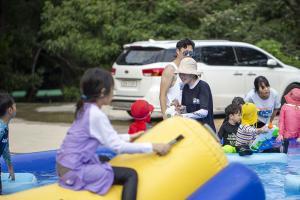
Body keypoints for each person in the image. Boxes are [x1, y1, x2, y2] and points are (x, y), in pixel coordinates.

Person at [56, 68, 171, 200]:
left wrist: (129, 137)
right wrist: (154, 147)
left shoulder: (85, 108)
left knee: (104, 159)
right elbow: (119, 147)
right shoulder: (96, 114)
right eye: (112, 88)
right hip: (74, 171)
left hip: (63, 166)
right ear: (103, 91)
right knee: (130, 175)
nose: (114, 92)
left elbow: (105, 137)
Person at [175, 57, 216, 132]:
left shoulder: (203, 86)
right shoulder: (185, 87)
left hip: (206, 130)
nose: (181, 76)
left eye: (185, 73)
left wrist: (183, 116)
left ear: (193, 74)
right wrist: (180, 109)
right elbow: (187, 109)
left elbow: (204, 112)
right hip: (192, 130)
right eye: (180, 73)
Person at [159, 38, 195, 120]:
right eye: (185, 53)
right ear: (178, 51)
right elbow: (162, 95)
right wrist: (165, 117)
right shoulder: (170, 69)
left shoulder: (189, 68)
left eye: (191, 53)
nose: (188, 55)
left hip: (184, 115)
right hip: (172, 116)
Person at [0, 93, 16, 194]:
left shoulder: (4, 126)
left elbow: (5, 148)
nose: (16, 108)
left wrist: (10, 167)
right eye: (15, 105)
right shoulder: (1, 129)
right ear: (10, 110)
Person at [276, 88, 300, 153]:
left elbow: (281, 122)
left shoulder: (284, 107)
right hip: (297, 135)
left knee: (285, 151)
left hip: (286, 135)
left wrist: (280, 134)